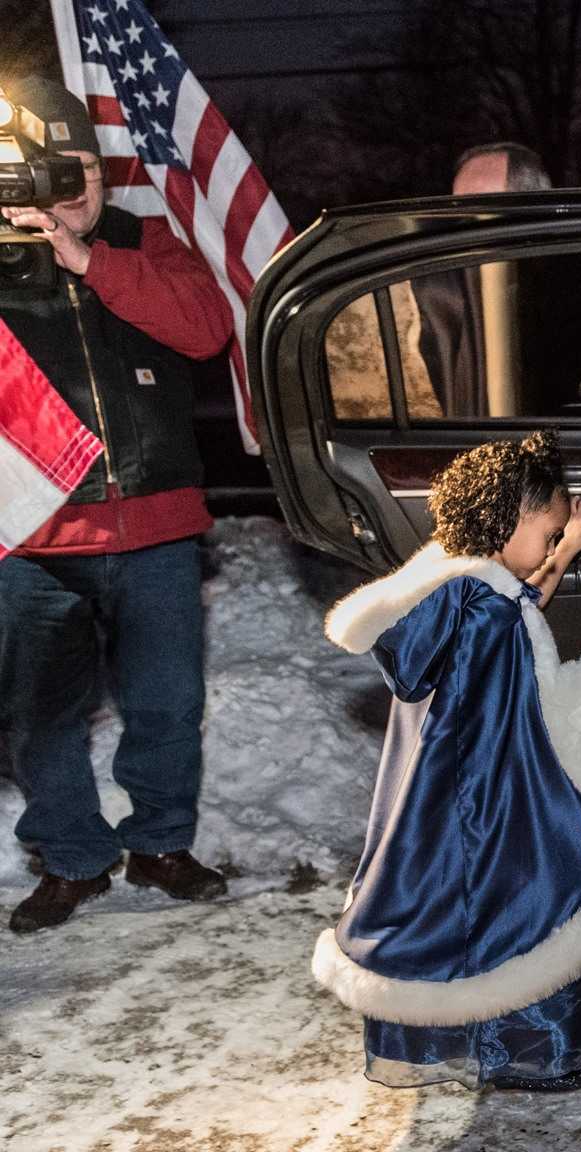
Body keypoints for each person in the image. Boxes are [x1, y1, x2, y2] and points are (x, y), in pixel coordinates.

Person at [313, 434, 581, 1091]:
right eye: (549, 527)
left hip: (448, 790)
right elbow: (503, 694)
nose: (551, 539)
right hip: (484, 793)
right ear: (514, 515)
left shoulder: (457, 578)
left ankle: (513, 1045)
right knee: (530, 900)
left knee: (475, 914)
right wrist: (555, 774)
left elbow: (518, 599)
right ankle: (527, 1053)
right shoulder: (481, 606)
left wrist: (563, 549)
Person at [0, 77, 234, 934]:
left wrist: (89, 260)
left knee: (166, 701)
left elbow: (206, 328)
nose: (73, 190)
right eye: (51, 174)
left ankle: (161, 843)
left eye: (84, 171)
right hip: (35, 535)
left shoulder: (146, 241)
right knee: (39, 713)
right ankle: (71, 858)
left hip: (159, 525)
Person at [416, 142, 554, 417]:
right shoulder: (439, 289)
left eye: (482, 210)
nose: (463, 226)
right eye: (456, 210)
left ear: (533, 211)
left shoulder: (567, 290)